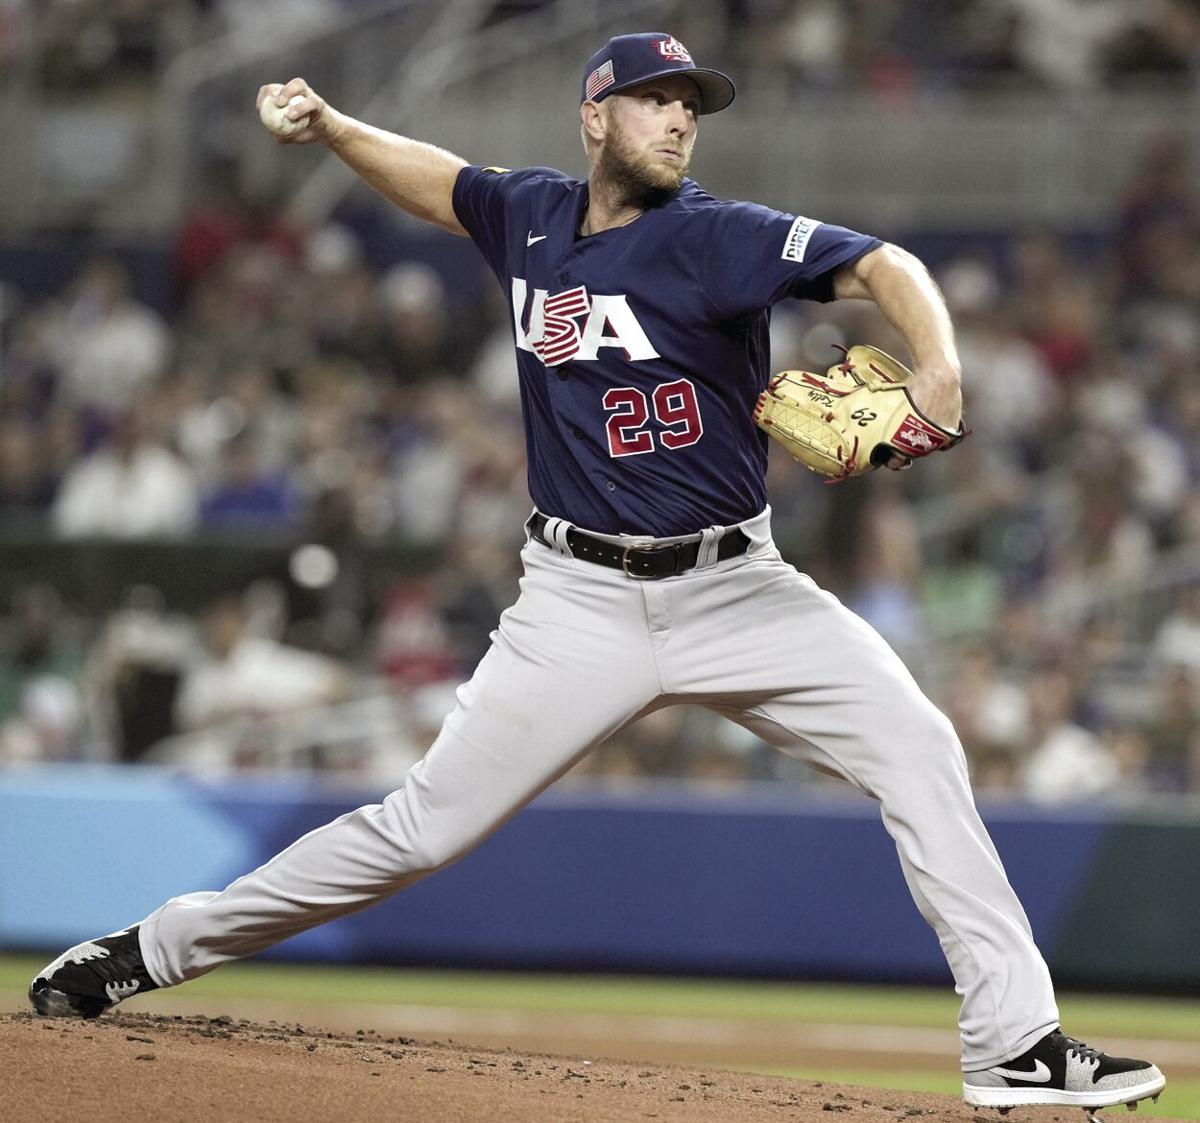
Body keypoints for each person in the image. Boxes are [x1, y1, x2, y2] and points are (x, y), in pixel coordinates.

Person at [30, 32, 1163, 1115]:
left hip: (740, 590)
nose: (680, 119)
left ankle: (1013, 1042)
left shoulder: (715, 235)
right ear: (595, 118)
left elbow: (885, 262)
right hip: (576, 601)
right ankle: (154, 947)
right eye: (658, 100)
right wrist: (333, 127)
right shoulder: (527, 213)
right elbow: (442, 183)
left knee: (920, 747)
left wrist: (943, 368)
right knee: (418, 830)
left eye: (692, 105)